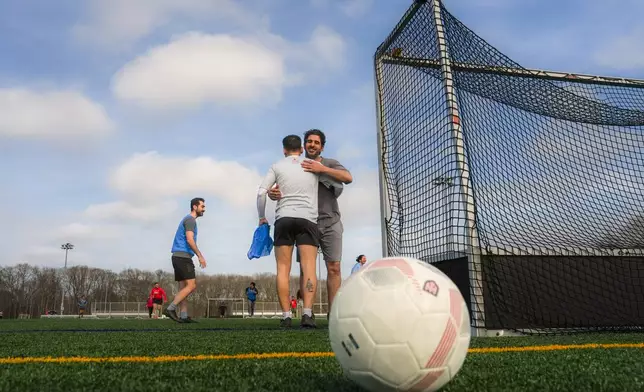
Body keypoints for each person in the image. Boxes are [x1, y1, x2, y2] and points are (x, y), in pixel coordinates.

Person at [269, 129, 352, 316]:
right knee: (305, 268)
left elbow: (348, 178)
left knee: (334, 268)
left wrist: (322, 169)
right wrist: (272, 193)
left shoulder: (330, 163)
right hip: (307, 222)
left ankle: (334, 315)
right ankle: (308, 312)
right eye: (309, 141)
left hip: (331, 222)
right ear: (303, 145)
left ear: (322, 147)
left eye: (316, 142)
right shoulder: (294, 165)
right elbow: (279, 188)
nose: (312, 144)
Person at [257, 134, 320, 329]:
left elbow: (261, 192)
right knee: (309, 266)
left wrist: (262, 217)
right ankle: (307, 314)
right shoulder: (311, 164)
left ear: (284, 150)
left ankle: (286, 316)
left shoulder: (277, 166)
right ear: (301, 149)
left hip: (283, 219)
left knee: (283, 270)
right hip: (308, 219)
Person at [164, 197, 207, 323]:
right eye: (202, 206)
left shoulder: (188, 220)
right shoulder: (190, 220)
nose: (204, 209)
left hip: (178, 256)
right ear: (195, 207)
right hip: (182, 257)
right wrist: (200, 255)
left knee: (184, 288)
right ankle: (170, 308)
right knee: (191, 285)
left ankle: (183, 315)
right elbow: (189, 239)